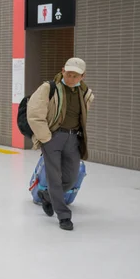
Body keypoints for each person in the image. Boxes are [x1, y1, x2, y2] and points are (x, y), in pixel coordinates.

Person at [27, 57, 94, 231]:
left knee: (71, 178)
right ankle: (64, 216)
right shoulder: (49, 88)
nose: (70, 78)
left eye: (75, 75)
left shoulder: (84, 92)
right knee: (54, 178)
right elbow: (34, 113)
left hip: (73, 139)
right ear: (63, 70)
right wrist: (46, 137)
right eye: (68, 73)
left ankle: (47, 196)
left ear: (82, 76)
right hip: (52, 137)